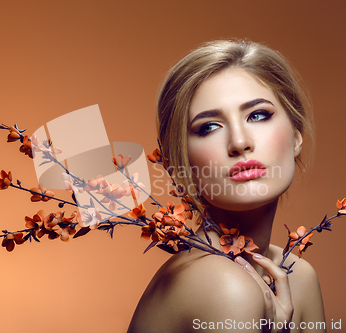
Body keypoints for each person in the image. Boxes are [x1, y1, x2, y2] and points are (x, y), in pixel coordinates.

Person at [127, 40, 325, 333]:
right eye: (208, 127)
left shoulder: (299, 276)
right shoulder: (225, 285)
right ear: (179, 162)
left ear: (296, 136)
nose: (239, 142)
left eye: (258, 115)